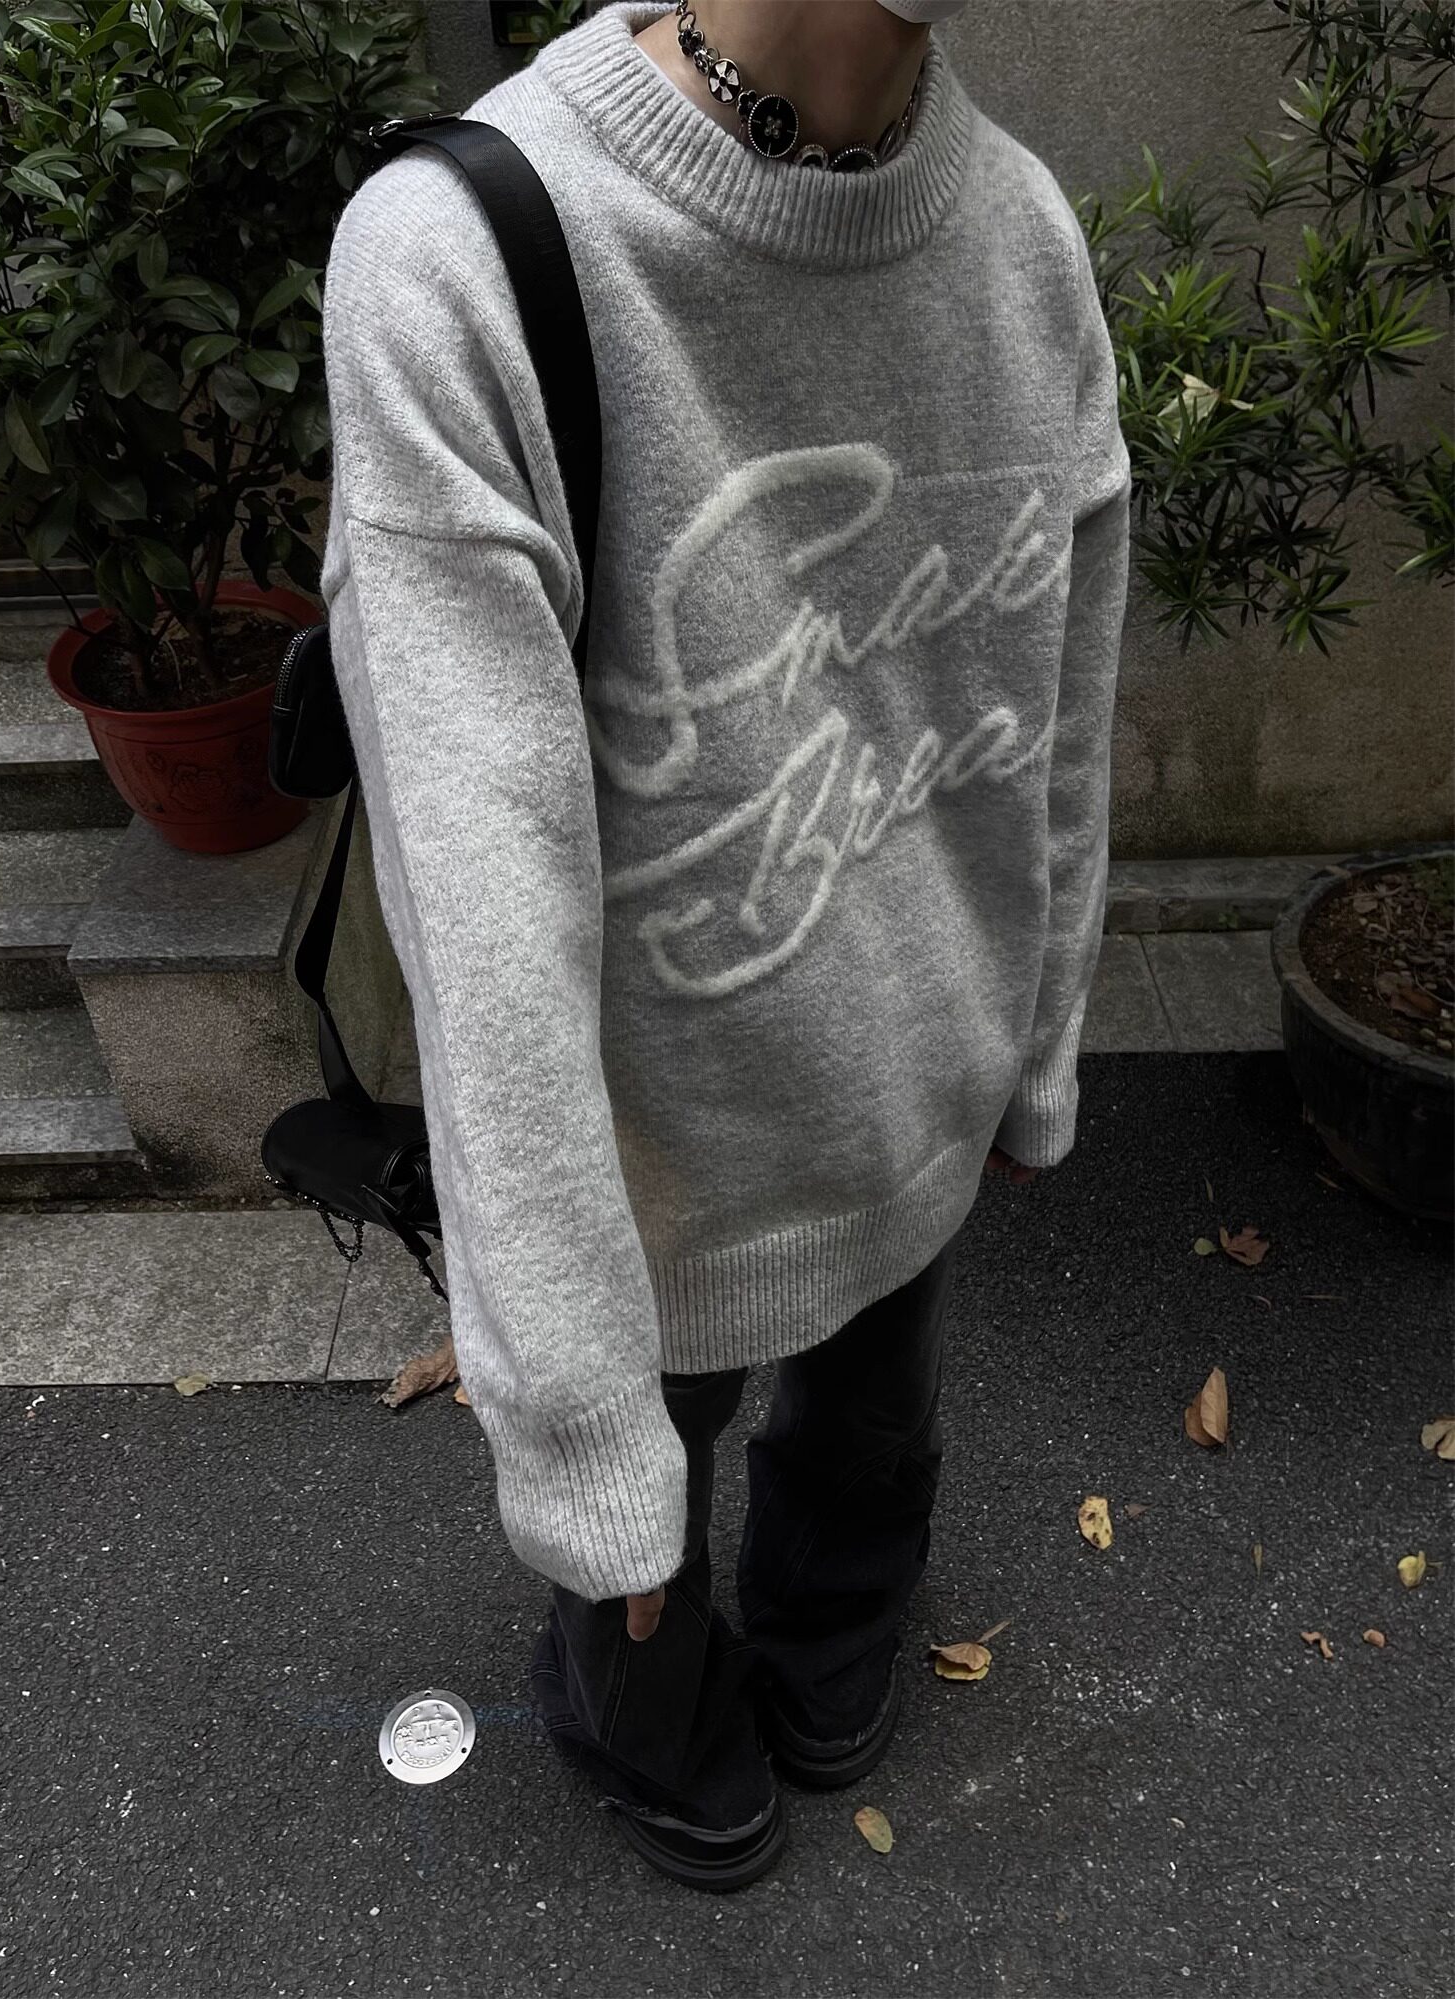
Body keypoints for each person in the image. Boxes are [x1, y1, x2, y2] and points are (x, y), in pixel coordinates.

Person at [320, 0, 1131, 1891]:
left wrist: (1036, 1051)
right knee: (642, 1562)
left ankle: (835, 1623)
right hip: (649, 1188)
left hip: (919, 1104)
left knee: (873, 1438)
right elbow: (484, 922)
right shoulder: (468, 255)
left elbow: (1062, 714)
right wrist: (583, 1445)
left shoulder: (1023, 237)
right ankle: (641, 1707)